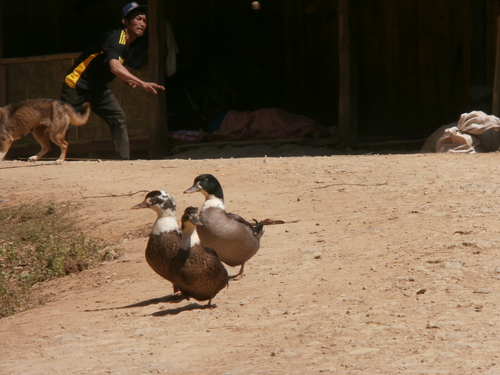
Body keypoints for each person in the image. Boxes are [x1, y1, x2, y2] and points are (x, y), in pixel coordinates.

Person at [61, 2, 164, 160]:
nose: (142, 23)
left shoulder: (126, 45)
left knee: (117, 117)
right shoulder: (116, 38)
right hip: (76, 86)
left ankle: (122, 161)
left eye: (144, 20)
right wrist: (142, 83)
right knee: (64, 124)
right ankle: (53, 160)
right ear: (125, 22)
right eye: (137, 19)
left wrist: (125, 80)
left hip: (97, 88)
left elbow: (113, 67)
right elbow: (115, 67)